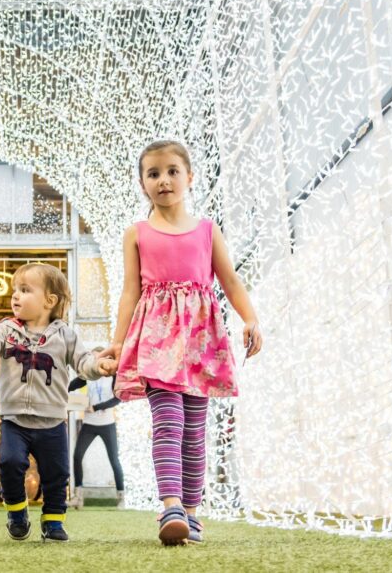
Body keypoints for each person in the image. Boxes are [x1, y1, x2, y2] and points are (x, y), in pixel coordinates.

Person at [102, 140, 263, 546]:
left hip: (200, 341)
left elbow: (229, 280)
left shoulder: (207, 230)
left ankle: (191, 513)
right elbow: (129, 291)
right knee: (168, 423)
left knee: (194, 431)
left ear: (189, 177)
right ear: (142, 184)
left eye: (173, 171)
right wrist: (118, 343)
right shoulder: (136, 234)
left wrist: (250, 318)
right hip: (156, 341)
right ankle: (170, 505)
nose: (163, 180)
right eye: (153, 174)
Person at [0, 263, 116, 542]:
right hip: (14, 419)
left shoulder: (65, 335)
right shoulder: (8, 330)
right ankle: (17, 512)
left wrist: (98, 366)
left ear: (49, 301)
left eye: (25, 290)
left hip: (52, 421)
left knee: (57, 473)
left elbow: (83, 363)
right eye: (14, 291)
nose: (15, 296)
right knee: (8, 463)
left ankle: (53, 521)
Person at [67, 374, 124, 509]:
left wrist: (97, 407)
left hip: (107, 424)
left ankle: (121, 497)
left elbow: (117, 399)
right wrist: (83, 374)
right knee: (77, 456)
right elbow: (70, 386)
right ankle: (78, 497)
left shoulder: (113, 377)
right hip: (89, 423)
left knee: (114, 460)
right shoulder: (89, 376)